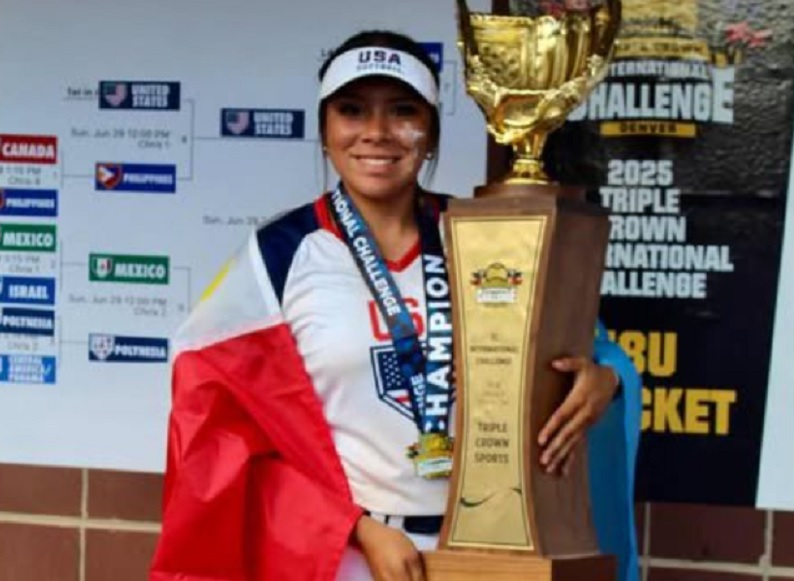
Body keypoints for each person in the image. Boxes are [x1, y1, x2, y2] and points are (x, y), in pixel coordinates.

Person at [149, 29, 640, 581]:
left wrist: (608, 379)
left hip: (491, 552)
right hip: (352, 557)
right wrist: (357, 528)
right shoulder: (279, 256)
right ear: (325, 131)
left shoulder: (490, 237)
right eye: (352, 110)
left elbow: (584, 351)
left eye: (403, 111)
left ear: (431, 133)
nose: (377, 133)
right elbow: (224, 431)